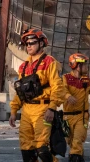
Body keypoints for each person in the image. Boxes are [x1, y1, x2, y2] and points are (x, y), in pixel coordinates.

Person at [9, 29, 66, 162]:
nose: (28, 46)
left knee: (42, 149)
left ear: (41, 43)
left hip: (43, 109)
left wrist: (52, 108)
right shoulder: (23, 67)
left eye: (32, 43)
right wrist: (13, 111)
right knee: (26, 149)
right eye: (26, 43)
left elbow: (57, 87)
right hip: (27, 111)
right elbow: (20, 92)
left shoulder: (49, 62)